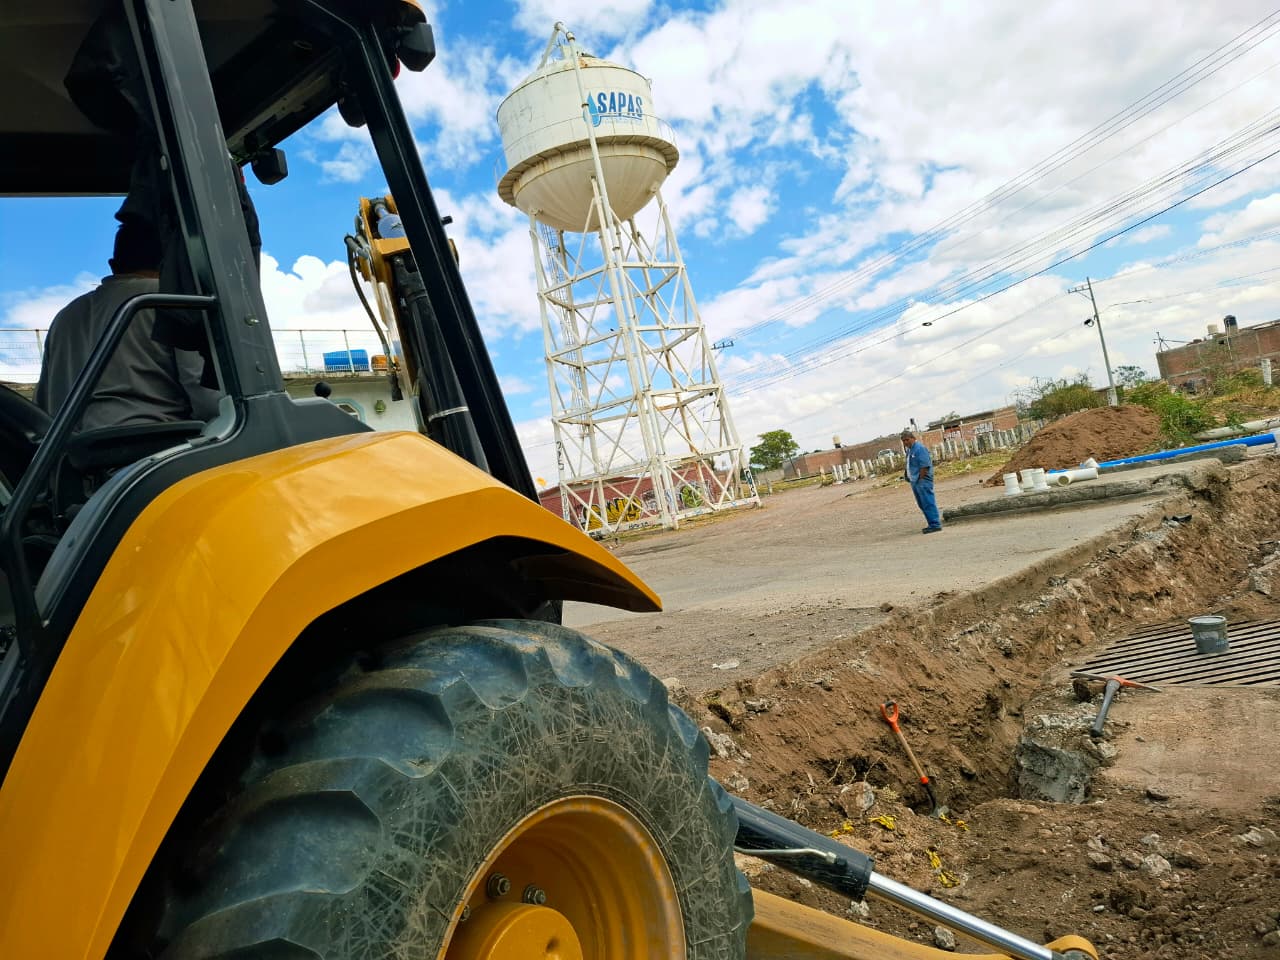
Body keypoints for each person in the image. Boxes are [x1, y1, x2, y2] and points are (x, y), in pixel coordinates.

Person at [35, 220, 220, 432]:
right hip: (156, 448)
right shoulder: (175, 301)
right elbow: (208, 396)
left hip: (75, 454)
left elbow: (44, 403)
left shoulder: (65, 316)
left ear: (114, 266)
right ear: (175, 262)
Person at [901, 429, 942, 534]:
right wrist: (907, 475)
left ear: (913, 438)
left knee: (927, 502)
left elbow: (925, 466)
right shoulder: (910, 450)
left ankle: (935, 524)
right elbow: (909, 464)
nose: (905, 442)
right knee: (922, 503)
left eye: (907, 440)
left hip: (922, 480)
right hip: (915, 480)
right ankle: (931, 524)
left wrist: (920, 479)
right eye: (903, 441)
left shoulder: (919, 448)